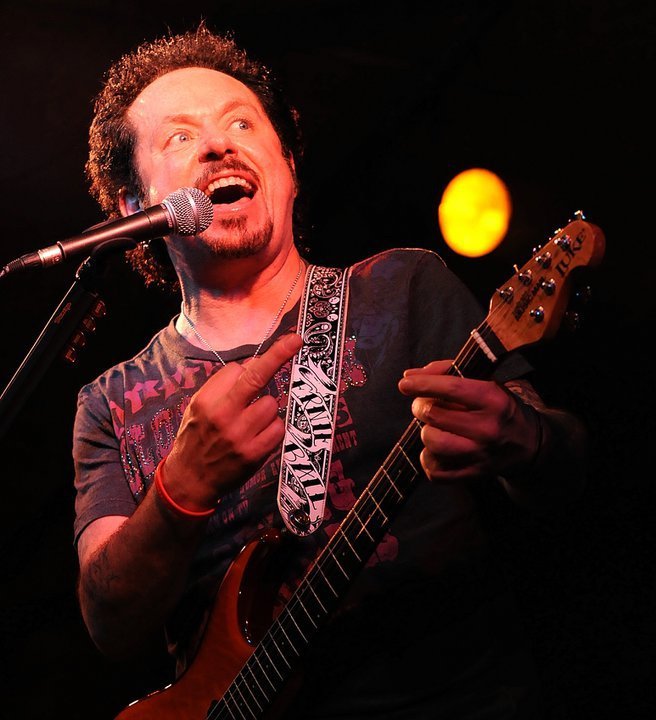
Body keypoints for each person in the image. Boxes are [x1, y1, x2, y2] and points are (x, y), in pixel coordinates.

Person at [72, 22, 588, 719]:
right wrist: (180, 489)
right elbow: (110, 622)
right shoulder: (110, 401)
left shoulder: (403, 288)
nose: (219, 145)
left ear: (288, 169)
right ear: (134, 207)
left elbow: (573, 479)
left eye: (241, 124)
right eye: (180, 137)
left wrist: (524, 440)